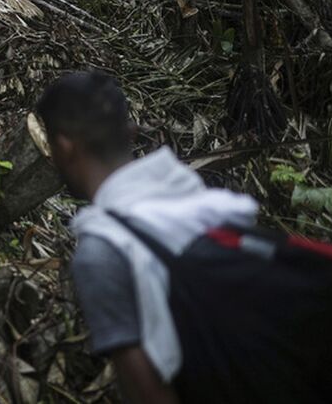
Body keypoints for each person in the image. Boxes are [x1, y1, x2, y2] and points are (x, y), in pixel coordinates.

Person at [34, 72, 265, 403]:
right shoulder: (206, 204)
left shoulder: (103, 250)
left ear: (64, 146)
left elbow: (150, 394)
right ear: (130, 133)